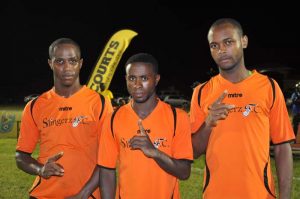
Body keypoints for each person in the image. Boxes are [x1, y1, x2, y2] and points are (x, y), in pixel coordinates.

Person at [190, 18, 295, 199]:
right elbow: (192, 151)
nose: (221, 50)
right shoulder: (201, 92)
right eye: (214, 45)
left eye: (228, 42)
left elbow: (282, 147)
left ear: (244, 41)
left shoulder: (269, 87)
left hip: (260, 194)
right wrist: (208, 123)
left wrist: (285, 196)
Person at [69, 53, 193, 199]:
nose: (137, 85)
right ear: (126, 79)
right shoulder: (113, 118)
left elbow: (184, 172)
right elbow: (107, 169)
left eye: (144, 78)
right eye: (132, 78)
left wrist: (155, 152)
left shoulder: (177, 117)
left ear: (156, 79)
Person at [15, 38, 113, 198]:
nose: (67, 67)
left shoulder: (100, 103)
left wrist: (83, 194)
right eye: (60, 61)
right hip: (43, 195)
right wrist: (40, 169)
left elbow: (108, 159)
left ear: (80, 63)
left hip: (87, 195)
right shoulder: (35, 106)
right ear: (50, 63)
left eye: (72, 61)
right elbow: (21, 156)